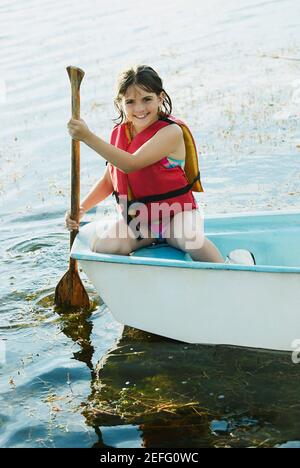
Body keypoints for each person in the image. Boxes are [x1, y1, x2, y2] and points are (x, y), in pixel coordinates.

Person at [65, 65, 225, 262]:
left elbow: (132, 164)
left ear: (160, 98)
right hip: (141, 222)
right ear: (120, 104)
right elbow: (110, 180)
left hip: (177, 216)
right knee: (104, 247)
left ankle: (227, 268)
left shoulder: (171, 132)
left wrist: (87, 137)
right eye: (130, 102)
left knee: (189, 238)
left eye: (147, 99)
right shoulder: (119, 133)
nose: (139, 108)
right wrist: (82, 208)